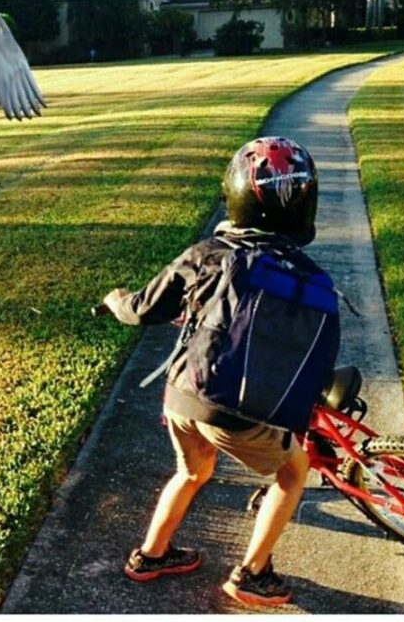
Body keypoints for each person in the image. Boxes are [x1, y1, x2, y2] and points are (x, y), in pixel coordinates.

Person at [103, 136, 321, 608]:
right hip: (231, 410)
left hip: (182, 396)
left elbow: (141, 309)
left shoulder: (205, 253)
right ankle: (253, 574)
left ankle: (152, 554)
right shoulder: (302, 274)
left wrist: (115, 300)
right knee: (293, 471)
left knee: (192, 470)